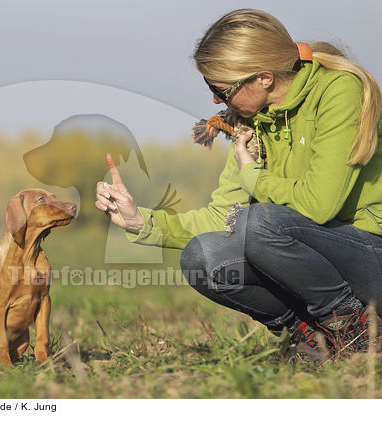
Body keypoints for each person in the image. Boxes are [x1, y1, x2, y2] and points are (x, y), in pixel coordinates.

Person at [95, 9, 382, 361]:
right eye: (211, 89)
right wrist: (144, 222)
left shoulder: (339, 91)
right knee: (202, 257)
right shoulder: (251, 121)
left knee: (259, 222)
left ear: (263, 77)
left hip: (369, 253)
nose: (217, 101)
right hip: (313, 257)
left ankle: (355, 330)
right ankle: (311, 334)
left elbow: (319, 205)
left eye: (221, 90)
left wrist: (251, 174)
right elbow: (225, 217)